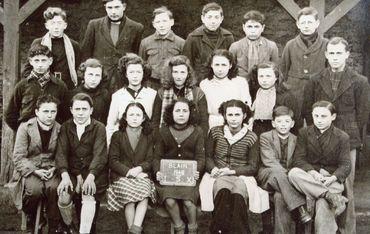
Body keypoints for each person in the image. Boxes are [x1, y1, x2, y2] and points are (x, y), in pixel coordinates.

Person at [302, 37, 370, 233]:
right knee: (322, 179)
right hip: (320, 137)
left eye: (339, 53)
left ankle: (347, 229)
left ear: (347, 54)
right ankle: (325, 227)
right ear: (326, 54)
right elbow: (308, 110)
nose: (335, 57)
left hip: (347, 138)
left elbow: (363, 114)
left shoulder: (360, 81)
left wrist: (353, 137)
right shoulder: (315, 80)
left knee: (346, 183)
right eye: (331, 53)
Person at [288, 101, 351, 234]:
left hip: (331, 181)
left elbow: (345, 165)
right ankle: (331, 196)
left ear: (333, 117)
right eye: (316, 116)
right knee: (293, 173)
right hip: (311, 178)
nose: (319, 120)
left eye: (323, 116)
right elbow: (299, 159)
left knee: (322, 204)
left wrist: (332, 178)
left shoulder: (342, 137)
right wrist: (313, 172)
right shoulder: (304, 133)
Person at [205, 100, 261, 233]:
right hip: (218, 174)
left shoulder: (251, 137)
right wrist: (213, 168)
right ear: (224, 116)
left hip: (242, 176)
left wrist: (231, 171)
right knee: (223, 193)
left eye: (237, 114)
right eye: (230, 115)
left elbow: (253, 166)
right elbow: (207, 156)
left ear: (244, 116)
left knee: (238, 197)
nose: (234, 119)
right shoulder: (215, 132)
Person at [56, 93, 109, 234]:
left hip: (94, 173)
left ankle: (84, 231)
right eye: (77, 109)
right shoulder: (66, 127)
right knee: (64, 194)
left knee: (88, 193)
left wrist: (90, 177)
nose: (80, 113)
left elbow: (100, 155)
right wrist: (66, 175)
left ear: (91, 110)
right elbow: (62, 153)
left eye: (84, 109)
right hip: (72, 172)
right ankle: (69, 225)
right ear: (71, 110)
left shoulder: (99, 128)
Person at [10, 95, 64, 233]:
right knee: (34, 190)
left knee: (54, 188)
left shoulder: (60, 129)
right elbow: (18, 156)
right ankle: (33, 220)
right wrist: (34, 171)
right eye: (45, 111)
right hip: (30, 169)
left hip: (51, 169)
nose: (49, 115)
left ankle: (54, 225)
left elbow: (63, 154)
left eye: (53, 111)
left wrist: (54, 168)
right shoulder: (25, 128)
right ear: (37, 112)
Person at [153, 98, 205, 234]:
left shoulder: (197, 131)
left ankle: (193, 228)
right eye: (177, 111)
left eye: (185, 111)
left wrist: (197, 171)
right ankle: (179, 227)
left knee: (188, 202)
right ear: (171, 113)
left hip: (189, 178)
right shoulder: (163, 131)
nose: (181, 114)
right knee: (169, 200)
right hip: (169, 177)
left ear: (190, 113)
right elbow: (157, 156)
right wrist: (158, 171)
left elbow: (200, 157)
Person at [257, 106, 311, 234]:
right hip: (269, 175)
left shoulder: (296, 139)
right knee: (277, 172)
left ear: (292, 124)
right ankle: (300, 208)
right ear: (273, 123)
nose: (283, 125)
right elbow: (269, 161)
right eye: (279, 121)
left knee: (279, 197)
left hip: (285, 184)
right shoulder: (265, 137)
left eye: (287, 121)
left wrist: (290, 175)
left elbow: (298, 162)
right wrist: (288, 176)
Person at [107, 102, 156, 234]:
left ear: (144, 118)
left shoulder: (149, 136)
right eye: (131, 115)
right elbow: (113, 161)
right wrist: (130, 172)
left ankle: (133, 230)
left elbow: (151, 159)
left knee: (144, 194)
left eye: (138, 115)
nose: (134, 118)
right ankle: (134, 230)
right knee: (129, 197)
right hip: (122, 176)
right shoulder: (117, 135)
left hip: (142, 175)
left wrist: (139, 169)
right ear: (125, 118)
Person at [81, 0, 144, 92]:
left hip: (124, 79)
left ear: (124, 7)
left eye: (117, 7)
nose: (113, 12)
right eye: (109, 8)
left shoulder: (136, 28)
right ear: (105, 7)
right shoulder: (94, 25)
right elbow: (85, 54)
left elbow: (137, 55)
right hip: (100, 79)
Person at [5, 44, 68, 131]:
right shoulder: (22, 86)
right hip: (28, 136)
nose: (40, 65)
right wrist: (22, 131)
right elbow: (10, 115)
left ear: (50, 61)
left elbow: (65, 114)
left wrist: (57, 131)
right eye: (36, 60)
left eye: (43, 60)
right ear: (31, 61)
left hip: (52, 136)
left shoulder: (60, 86)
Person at [280, 6, 328, 118]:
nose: (306, 26)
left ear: (317, 23)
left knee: (315, 119)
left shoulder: (326, 44)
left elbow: (328, 70)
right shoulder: (290, 45)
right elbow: (283, 70)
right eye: (303, 22)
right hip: (294, 91)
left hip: (317, 89)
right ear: (298, 24)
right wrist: (287, 88)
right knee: (295, 121)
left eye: (310, 22)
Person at [23, 7, 81, 90]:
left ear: (65, 25)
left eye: (59, 23)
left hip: (67, 88)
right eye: (52, 23)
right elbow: (27, 69)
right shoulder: (38, 43)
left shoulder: (73, 45)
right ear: (47, 26)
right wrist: (35, 86)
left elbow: (78, 69)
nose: (56, 27)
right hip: (44, 87)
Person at [106, 54, 157, 144]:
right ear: (126, 74)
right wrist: (110, 145)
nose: (135, 76)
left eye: (138, 72)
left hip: (145, 141)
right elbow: (110, 124)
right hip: (122, 142)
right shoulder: (117, 95)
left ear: (143, 73)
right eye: (131, 72)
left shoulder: (152, 94)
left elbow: (155, 123)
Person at [152, 55, 209, 135]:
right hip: (167, 137)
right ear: (170, 73)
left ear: (188, 74)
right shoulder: (161, 92)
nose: (179, 76)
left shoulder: (197, 92)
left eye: (182, 72)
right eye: (175, 72)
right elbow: (155, 121)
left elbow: (204, 122)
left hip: (192, 138)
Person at [183, 2, 234, 83]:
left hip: (223, 82)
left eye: (216, 17)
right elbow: (187, 64)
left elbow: (232, 63)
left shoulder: (228, 37)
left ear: (222, 19)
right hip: (200, 82)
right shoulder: (193, 37)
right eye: (209, 17)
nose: (213, 21)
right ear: (202, 18)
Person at [199, 49, 251, 129]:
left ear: (230, 65)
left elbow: (246, 107)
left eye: (224, 65)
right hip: (213, 124)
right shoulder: (205, 84)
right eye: (217, 65)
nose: (220, 69)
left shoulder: (240, 82)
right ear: (211, 65)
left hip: (236, 124)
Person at [139, 6, 185, 90]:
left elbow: (185, 66)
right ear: (154, 24)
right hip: (151, 84)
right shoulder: (145, 42)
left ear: (172, 22)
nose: (162, 25)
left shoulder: (181, 43)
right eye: (158, 22)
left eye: (165, 21)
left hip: (173, 84)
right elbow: (141, 65)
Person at [249, 62, 300, 136]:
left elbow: (295, 122)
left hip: (278, 133)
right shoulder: (255, 92)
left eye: (268, 76)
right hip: (257, 131)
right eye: (261, 76)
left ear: (276, 77)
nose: (264, 80)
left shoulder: (286, 96)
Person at [229, 10, 279, 79]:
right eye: (249, 26)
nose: (253, 30)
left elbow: (276, 70)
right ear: (243, 27)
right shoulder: (235, 46)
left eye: (256, 26)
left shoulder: (271, 46)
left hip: (263, 84)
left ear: (263, 28)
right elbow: (230, 70)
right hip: (242, 85)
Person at [72, 58, 110, 124]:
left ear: (101, 77)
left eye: (97, 75)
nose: (93, 79)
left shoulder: (105, 94)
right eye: (90, 74)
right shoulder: (73, 94)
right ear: (83, 75)